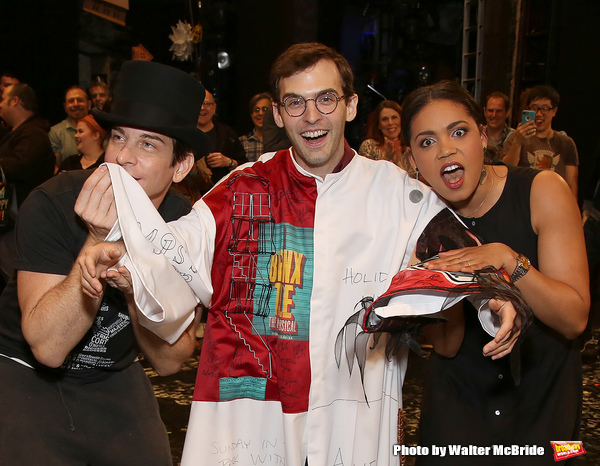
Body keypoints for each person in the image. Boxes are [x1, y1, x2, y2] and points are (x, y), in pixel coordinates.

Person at [76, 43, 517, 466]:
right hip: (254, 409)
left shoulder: (400, 194)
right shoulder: (240, 189)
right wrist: (124, 258)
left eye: (326, 99)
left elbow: (461, 257)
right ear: (278, 112)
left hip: (352, 406)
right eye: (295, 102)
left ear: (350, 105)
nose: (312, 117)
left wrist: (494, 297)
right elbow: (176, 251)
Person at [0, 60, 206, 465]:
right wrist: (95, 241)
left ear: (180, 165)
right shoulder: (55, 202)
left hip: (114, 373)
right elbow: (48, 348)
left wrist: (138, 292)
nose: (123, 157)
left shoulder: (184, 226)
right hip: (23, 371)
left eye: (148, 144)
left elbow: (169, 361)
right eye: (118, 138)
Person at [402, 81, 588, 465]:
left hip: (542, 397)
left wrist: (507, 260)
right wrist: (434, 273)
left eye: (459, 132)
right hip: (459, 399)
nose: (446, 149)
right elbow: (448, 344)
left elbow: (573, 320)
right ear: (411, 160)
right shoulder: (416, 221)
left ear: (483, 137)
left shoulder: (542, 190)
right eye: (426, 142)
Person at [0, 83, 55, 291]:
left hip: (20, 219)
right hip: (9, 220)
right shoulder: (14, 133)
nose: (0, 105)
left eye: (3, 99)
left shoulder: (34, 134)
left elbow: (18, 166)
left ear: (15, 101)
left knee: (17, 283)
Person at [502, 85, 579, 198]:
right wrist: (518, 142)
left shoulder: (566, 143)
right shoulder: (515, 137)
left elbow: (572, 183)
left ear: (554, 111)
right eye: (534, 108)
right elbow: (504, 172)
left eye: (545, 109)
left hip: (555, 202)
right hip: (523, 202)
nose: (539, 114)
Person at [195, 89, 248, 184]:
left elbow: (245, 165)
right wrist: (198, 172)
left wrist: (229, 162)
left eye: (206, 103)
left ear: (214, 107)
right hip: (193, 194)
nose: (202, 108)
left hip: (224, 191)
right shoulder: (185, 134)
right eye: (198, 103)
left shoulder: (227, 133)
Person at [358, 99, 412, 173]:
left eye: (394, 117)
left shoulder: (410, 147)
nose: (390, 123)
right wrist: (386, 157)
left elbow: (415, 179)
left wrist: (398, 161)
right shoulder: (368, 146)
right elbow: (366, 177)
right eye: (384, 119)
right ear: (379, 125)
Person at [49, 86, 90, 168]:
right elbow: (56, 167)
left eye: (80, 100)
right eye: (71, 101)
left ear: (89, 104)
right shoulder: (55, 132)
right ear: (65, 107)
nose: (76, 104)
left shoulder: (100, 129)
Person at [239, 92, 272, 162]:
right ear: (251, 114)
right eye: (256, 110)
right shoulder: (242, 142)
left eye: (265, 109)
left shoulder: (282, 141)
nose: (260, 113)